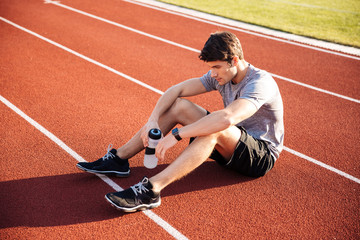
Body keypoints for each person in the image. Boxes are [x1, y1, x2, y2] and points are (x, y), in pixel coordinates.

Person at [77, 31, 284, 212]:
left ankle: (152, 190)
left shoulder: (259, 83)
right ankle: (119, 159)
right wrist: (152, 121)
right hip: (233, 142)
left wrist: (176, 136)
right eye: (211, 68)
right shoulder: (221, 74)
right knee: (179, 105)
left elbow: (227, 118)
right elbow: (175, 90)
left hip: (260, 155)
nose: (213, 74)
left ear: (235, 60)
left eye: (217, 68)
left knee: (215, 128)